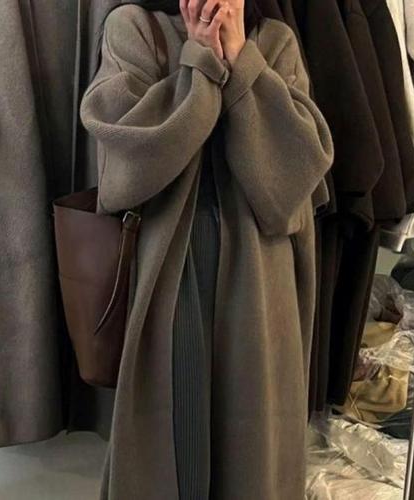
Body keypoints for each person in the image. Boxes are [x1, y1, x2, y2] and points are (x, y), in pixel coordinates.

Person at [80, 1, 334, 498]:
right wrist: (199, 62)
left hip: (261, 288)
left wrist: (242, 61)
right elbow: (123, 173)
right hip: (169, 281)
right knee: (174, 448)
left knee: (253, 452)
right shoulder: (134, 30)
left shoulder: (275, 41)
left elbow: (295, 184)